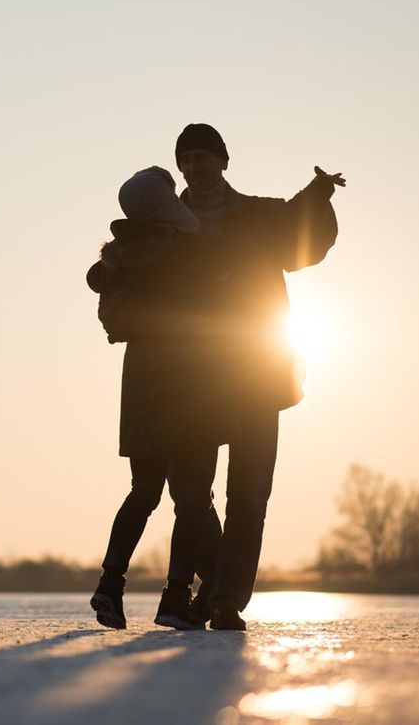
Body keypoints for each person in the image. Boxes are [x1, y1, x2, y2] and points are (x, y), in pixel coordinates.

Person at [168, 123, 343, 631]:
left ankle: (224, 602)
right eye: (188, 158)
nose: (196, 166)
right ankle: (220, 583)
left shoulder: (259, 214)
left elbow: (301, 245)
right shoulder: (163, 222)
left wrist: (317, 197)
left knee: (248, 493)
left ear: (224, 162)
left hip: (256, 369)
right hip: (189, 377)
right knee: (189, 493)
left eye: (205, 157)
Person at [85, 166, 238, 631]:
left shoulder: (121, 261)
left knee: (144, 491)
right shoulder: (188, 254)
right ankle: (175, 596)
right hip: (191, 389)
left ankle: (110, 583)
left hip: (142, 390)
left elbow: (113, 320)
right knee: (192, 499)